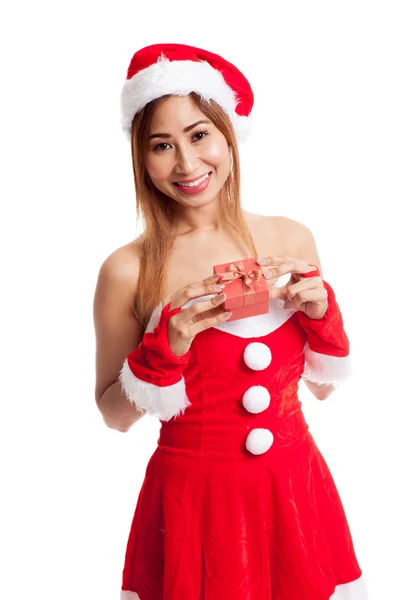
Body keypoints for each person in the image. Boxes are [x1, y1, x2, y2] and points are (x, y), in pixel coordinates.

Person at [93, 43, 368, 600]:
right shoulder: (127, 269)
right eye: (161, 145)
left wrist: (323, 317)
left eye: (199, 135)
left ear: (228, 133)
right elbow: (114, 417)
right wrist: (161, 348)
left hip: (293, 493)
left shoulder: (291, 238)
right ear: (141, 159)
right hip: (194, 503)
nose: (187, 165)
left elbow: (320, 388)